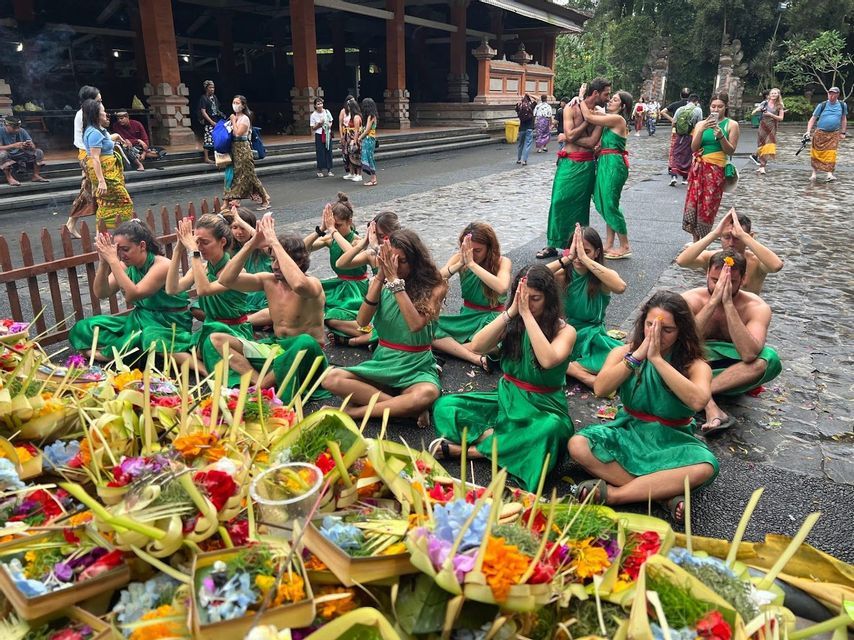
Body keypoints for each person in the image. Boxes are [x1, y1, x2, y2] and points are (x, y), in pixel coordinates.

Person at [567, 291, 717, 524]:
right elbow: (601, 388)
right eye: (650, 325)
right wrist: (638, 355)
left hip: (673, 440)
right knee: (578, 445)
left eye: (667, 330)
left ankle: (616, 495)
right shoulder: (623, 353)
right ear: (643, 323)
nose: (655, 333)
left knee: (705, 467)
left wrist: (657, 359)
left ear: (682, 331)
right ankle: (661, 495)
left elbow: (698, 401)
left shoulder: (695, 365)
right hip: (629, 431)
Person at [430, 265, 576, 491]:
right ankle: (510, 445)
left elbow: (547, 359)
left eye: (535, 299)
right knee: (445, 405)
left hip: (544, 408)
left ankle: (472, 451)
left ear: (549, 298)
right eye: (524, 298)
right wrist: (510, 312)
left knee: (552, 430)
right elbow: (478, 346)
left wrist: (526, 315)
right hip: (507, 399)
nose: (529, 304)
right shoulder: (512, 321)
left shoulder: (564, 331)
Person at [322, 229, 447, 424]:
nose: (395, 266)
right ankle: (406, 410)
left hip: (417, 365)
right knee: (331, 379)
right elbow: (362, 322)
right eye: (391, 260)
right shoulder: (382, 280)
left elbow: (415, 324)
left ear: (416, 260)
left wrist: (395, 282)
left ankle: (352, 413)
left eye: (402, 261)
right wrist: (380, 278)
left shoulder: (436, 285)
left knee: (426, 394)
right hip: (384, 362)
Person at [210, 215, 328, 401]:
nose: (274, 265)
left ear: (297, 263)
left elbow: (298, 284)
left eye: (279, 260)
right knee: (217, 338)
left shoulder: (312, 284)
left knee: (304, 341)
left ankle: (257, 389)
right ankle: (264, 383)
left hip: (307, 354)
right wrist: (252, 243)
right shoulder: (268, 281)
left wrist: (274, 241)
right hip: (276, 347)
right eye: (272, 259)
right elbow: (225, 279)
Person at [682, 250, 782, 434]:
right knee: (672, 352)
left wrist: (728, 305)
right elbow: (685, 342)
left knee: (769, 359)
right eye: (714, 280)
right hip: (695, 363)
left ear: (743, 279)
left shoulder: (756, 307)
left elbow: (749, 353)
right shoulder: (691, 299)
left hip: (730, 372)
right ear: (707, 274)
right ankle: (711, 406)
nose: (720, 285)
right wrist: (712, 303)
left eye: (731, 282)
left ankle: (699, 393)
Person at [69, 219, 192, 361]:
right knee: (83, 327)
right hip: (139, 319)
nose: (121, 255)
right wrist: (104, 263)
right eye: (118, 250)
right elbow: (101, 293)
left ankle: (101, 355)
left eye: (125, 249)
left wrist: (114, 261)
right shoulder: (125, 265)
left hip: (168, 323)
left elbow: (133, 295)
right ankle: (117, 352)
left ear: (142, 246)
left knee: (139, 339)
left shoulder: (162, 265)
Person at [165, 214, 255, 379]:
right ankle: (205, 370)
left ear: (222, 242)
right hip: (209, 327)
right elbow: (172, 289)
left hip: (232, 331)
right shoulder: (204, 268)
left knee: (207, 344)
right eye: (197, 242)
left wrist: (194, 252)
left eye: (205, 242)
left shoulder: (234, 272)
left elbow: (203, 290)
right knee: (163, 342)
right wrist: (178, 248)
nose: (200, 247)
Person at [547, 225, 626, 388]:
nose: (578, 258)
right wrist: (567, 259)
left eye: (586, 251)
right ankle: (580, 374)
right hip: (564, 331)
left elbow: (620, 287)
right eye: (575, 251)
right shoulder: (563, 276)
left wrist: (586, 259)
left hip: (592, 334)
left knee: (622, 361)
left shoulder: (600, 277)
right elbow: (530, 277)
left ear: (597, 253)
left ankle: (569, 367)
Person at [538, 79, 609, 259]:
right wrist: (585, 122)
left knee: (580, 206)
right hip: (568, 162)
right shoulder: (572, 107)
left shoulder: (601, 114)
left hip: (586, 164)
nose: (607, 98)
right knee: (558, 202)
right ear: (595, 93)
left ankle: (577, 245)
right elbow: (569, 133)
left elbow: (592, 142)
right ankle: (552, 243)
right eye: (606, 94)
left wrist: (569, 137)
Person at [432, 222, 512, 371]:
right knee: (428, 327)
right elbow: (437, 279)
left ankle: (451, 349)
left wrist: (472, 265)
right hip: (466, 317)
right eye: (469, 249)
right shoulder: (461, 257)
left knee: (489, 343)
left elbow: (502, 287)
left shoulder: (502, 262)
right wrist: (460, 263)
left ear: (489, 247)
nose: (472, 254)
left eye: (478, 250)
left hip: (492, 317)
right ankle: (473, 356)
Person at [303, 194, 373, 345]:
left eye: (339, 225)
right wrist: (321, 229)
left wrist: (332, 231)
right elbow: (302, 248)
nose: (335, 229)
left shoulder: (358, 241)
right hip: (338, 285)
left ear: (350, 222)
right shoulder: (330, 238)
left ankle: (371, 333)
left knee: (332, 317)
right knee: (306, 297)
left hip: (355, 289)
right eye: (333, 225)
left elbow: (351, 256)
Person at [676, 208, 783, 294]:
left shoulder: (756, 262)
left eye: (737, 238)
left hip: (744, 315)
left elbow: (776, 265)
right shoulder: (711, 257)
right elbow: (682, 261)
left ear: (749, 237)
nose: (731, 243)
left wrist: (744, 236)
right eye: (726, 237)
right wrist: (715, 233)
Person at [579, 89, 633, 259]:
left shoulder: (618, 119)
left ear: (622, 105)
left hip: (614, 164)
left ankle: (625, 245)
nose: (610, 101)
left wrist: (581, 98)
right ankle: (609, 243)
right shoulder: (610, 120)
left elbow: (589, 117)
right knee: (605, 201)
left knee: (610, 204)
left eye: (615, 99)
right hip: (605, 162)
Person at [682, 92, 740, 242]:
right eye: (713, 106)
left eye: (720, 107)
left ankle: (703, 239)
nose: (716, 110)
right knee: (693, 202)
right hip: (699, 167)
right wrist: (701, 130)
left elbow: (731, 150)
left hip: (715, 169)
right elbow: (694, 148)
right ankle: (695, 239)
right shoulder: (701, 124)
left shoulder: (732, 125)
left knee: (708, 205)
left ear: (725, 107)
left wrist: (721, 136)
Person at [81, 99, 133, 230]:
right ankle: (126, 231)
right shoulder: (94, 133)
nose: (106, 115)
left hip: (108, 171)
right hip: (105, 174)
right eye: (103, 112)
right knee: (124, 201)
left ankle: (102, 233)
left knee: (105, 203)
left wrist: (115, 136)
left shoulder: (98, 131)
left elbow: (105, 141)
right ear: (96, 115)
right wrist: (101, 181)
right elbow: (95, 158)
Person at [225, 206, 273, 327]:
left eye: (243, 227)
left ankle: (241, 322)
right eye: (234, 227)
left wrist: (240, 220)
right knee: (197, 309)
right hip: (239, 295)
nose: (239, 232)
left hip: (261, 295)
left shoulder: (262, 247)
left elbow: (265, 242)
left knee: (274, 312)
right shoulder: (230, 249)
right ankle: (247, 320)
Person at [223, 95, 271, 211]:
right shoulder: (233, 117)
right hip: (234, 149)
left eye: (237, 103)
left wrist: (233, 121)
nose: (235, 105)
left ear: (243, 105)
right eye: (233, 102)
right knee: (231, 175)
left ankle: (265, 198)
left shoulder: (245, 119)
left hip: (243, 150)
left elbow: (238, 133)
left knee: (250, 176)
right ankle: (227, 201)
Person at [65, 85, 100, 238]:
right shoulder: (83, 115)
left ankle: (71, 223)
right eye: (98, 100)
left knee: (90, 190)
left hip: (89, 154)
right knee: (91, 190)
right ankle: (97, 229)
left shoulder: (87, 114)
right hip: (87, 155)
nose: (100, 103)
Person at [806, 86, 847, 182]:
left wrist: (843, 132)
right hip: (820, 132)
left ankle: (829, 174)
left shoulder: (842, 105)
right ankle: (814, 173)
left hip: (834, 133)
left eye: (834, 93)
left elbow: (843, 118)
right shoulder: (822, 105)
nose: (831, 95)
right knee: (816, 153)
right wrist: (808, 131)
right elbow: (813, 119)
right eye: (830, 93)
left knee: (831, 153)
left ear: (837, 95)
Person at [0, 116, 49, 186]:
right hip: (7, 155)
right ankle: (9, 177)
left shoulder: (22, 131)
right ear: (6, 125)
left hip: (20, 153)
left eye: (18, 127)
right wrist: (13, 146)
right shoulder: (0, 131)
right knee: (2, 154)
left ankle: (36, 175)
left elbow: (33, 147)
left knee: (39, 152)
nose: (17, 130)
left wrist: (30, 146)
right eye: (14, 128)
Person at [667, 94, 702, 186]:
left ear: (688, 101)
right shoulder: (698, 110)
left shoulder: (680, 109)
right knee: (688, 156)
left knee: (676, 154)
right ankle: (684, 178)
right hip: (691, 136)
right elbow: (699, 125)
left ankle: (673, 176)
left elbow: (673, 122)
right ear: (696, 101)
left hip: (679, 136)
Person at [750, 88, 784, 175]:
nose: (773, 95)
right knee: (762, 146)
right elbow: (753, 112)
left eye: (775, 93)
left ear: (778, 95)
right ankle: (757, 157)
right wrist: (758, 110)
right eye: (772, 93)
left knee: (768, 146)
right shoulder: (764, 103)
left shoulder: (780, 105)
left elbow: (781, 118)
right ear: (769, 94)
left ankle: (762, 166)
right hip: (763, 125)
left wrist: (771, 114)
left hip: (772, 126)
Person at [198, 80, 222, 165]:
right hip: (209, 122)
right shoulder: (203, 98)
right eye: (210, 87)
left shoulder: (214, 97)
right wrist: (211, 121)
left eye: (213, 87)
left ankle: (217, 156)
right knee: (208, 138)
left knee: (216, 138)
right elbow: (203, 111)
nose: (212, 89)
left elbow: (216, 108)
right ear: (206, 88)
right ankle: (206, 158)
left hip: (216, 120)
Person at [311, 97, 334, 178]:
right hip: (319, 135)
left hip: (327, 133)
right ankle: (320, 170)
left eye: (321, 103)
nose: (320, 105)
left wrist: (329, 125)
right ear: (315, 105)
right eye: (318, 104)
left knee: (329, 151)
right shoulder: (313, 115)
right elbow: (313, 128)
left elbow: (331, 121)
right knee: (320, 152)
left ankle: (329, 170)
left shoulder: (327, 111)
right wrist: (319, 124)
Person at [359, 98, 379, 187]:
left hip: (368, 139)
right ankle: (373, 178)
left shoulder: (371, 116)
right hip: (371, 138)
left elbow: (367, 130)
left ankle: (373, 178)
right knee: (370, 157)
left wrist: (359, 137)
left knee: (369, 158)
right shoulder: (373, 116)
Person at [346, 98, 363, 182]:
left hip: (355, 138)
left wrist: (355, 141)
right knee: (351, 156)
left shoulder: (356, 117)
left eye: (349, 106)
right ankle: (352, 173)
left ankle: (359, 174)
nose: (347, 108)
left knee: (357, 156)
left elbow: (356, 130)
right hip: (350, 137)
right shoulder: (352, 116)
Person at [515, 93, 535, 165]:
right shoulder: (531, 106)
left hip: (522, 128)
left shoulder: (519, 107)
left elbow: (516, 109)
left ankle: (518, 159)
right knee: (527, 144)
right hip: (529, 128)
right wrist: (530, 95)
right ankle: (524, 160)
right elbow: (538, 99)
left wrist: (519, 102)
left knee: (520, 144)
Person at [339, 95, 354, 179]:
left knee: (353, 152)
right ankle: (349, 171)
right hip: (346, 133)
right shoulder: (343, 111)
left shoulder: (354, 111)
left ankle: (355, 171)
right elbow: (340, 124)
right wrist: (341, 136)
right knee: (346, 153)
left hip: (352, 133)